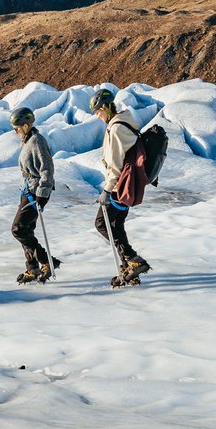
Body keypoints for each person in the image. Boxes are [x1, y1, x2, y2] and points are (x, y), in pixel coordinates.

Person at [90, 88, 151, 287]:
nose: (97, 116)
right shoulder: (123, 122)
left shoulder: (116, 129)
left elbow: (115, 164)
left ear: (106, 107)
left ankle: (133, 260)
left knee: (102, 223)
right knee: (116, 225)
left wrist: (107, 190)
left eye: (98, 111)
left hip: (119, 185)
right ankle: (129, 267)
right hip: (127, 183)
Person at [10, 107, 59, 284]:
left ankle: (46, 261)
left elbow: (47, 169)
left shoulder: (37, 141)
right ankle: (33, 268)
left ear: (25, 125)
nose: (15, 131)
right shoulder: (28, 140)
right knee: (27, 229)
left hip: (36, 192)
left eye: (16, 128)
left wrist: (42, 195)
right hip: (29, 190)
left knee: (18, 229)